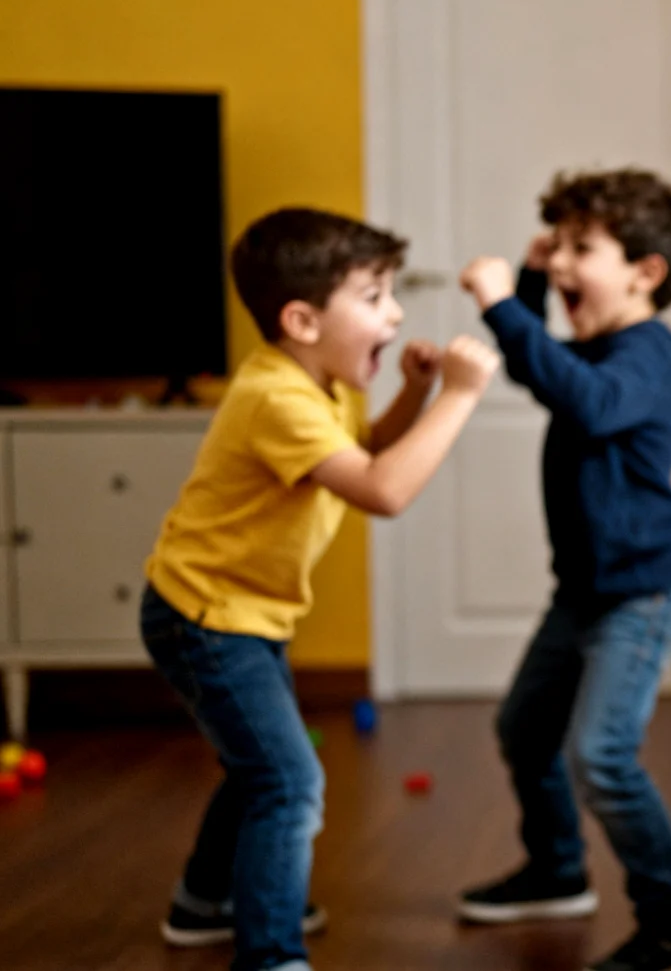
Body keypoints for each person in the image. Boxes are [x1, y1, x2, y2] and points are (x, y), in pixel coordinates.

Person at [142, 207, 500, 971]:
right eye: (374, 297)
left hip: (238, 610)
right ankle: (270, 954)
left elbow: (361, 452)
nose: (396, 313)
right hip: (205, 616)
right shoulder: (277, 398)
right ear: (302, 319)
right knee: (287, 777)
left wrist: (410, 395)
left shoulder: (313, 380)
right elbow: (382, 490)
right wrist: (458, 398)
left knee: (257, 764)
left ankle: (205, 899)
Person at [456, 168, 671, 971]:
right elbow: (543, 370)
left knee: (600, 755)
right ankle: (558, 869)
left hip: (642, 592)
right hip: (585, 592)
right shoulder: (599, 347)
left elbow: (586, 399)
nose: (564, 265)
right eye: (557, 246)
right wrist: (530, 283)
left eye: (583, 249)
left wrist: (504, 302)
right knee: (524, 728)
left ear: (646, 271)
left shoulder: (645, 353)